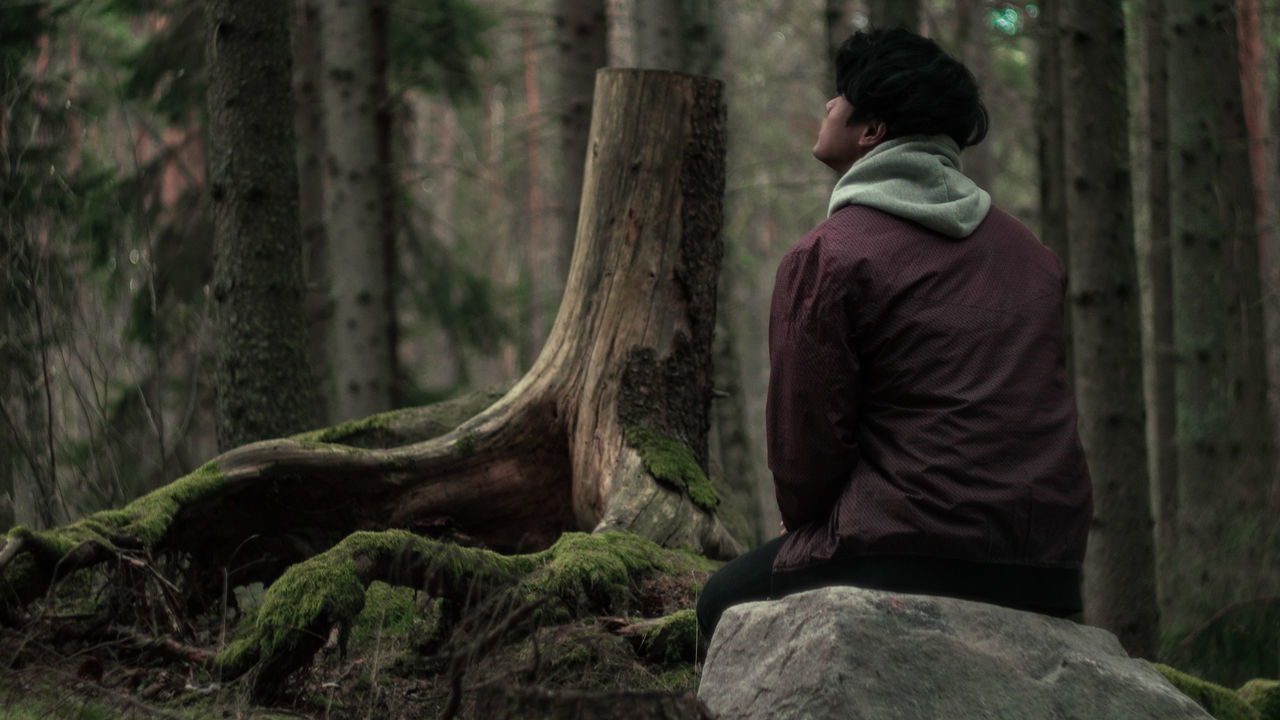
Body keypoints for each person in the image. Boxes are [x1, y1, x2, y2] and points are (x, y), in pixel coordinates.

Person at [696, 27, 1092, 638]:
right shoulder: (1033, 257)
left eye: (841, 95)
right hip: (1048, 568)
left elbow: (805, 451)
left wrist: (806, 526)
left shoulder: (831, 254)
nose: (828, 106)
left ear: (872, 131)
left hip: (903, 552)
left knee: (719, 605)